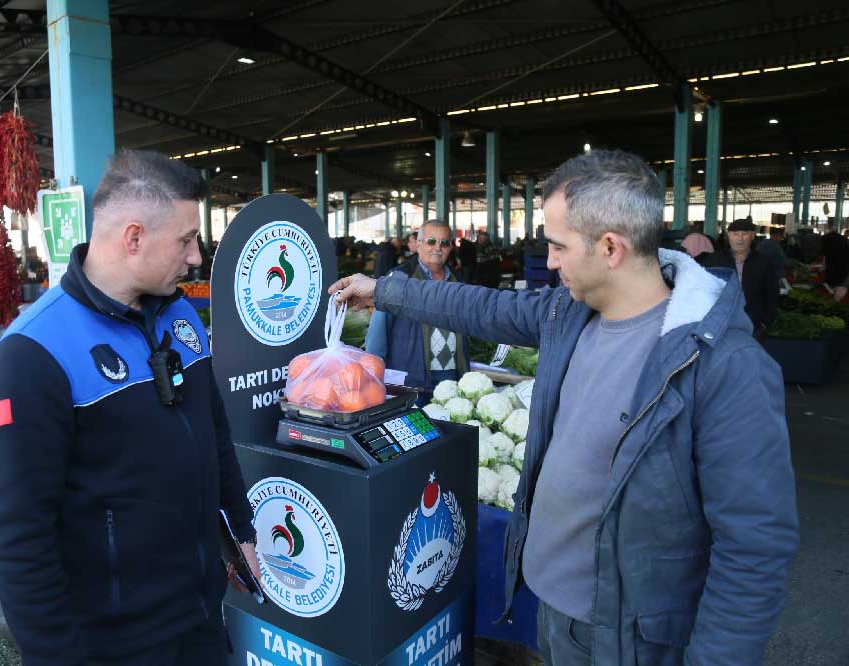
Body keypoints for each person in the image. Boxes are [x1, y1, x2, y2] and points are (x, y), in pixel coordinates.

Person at [332, 149, 798, 666]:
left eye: (558, 245)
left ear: (610, 247)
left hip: (628, 638)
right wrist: (385, 290)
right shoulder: (568, 313)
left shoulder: (722, 365)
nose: (549, 261)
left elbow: (754, 548)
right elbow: (481, 307)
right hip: (550, 610)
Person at [0, 150, 259, 666]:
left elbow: (214, 433)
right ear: (134, 238)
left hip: (200, 620)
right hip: (114, 644)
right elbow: (19, 538)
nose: (196, 256)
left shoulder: (181, 318)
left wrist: (241, 531)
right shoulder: (32, 356)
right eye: (185, 239)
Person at [363, 219, 470, 401]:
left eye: (444, 243)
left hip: (452, 378)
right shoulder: (397, 278)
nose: (437, 247)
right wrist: (372, 378)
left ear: (451, 247)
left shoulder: (457, 281)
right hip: (412, 380)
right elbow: (378, 334)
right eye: (431, 241)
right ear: (418, 244)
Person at [702, 218, 779, 339]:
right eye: (735, 234)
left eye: (745, 234)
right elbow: (704, 292)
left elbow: (772, 295)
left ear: (752, 236)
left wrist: (765, 325)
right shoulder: (714, 260)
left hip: (754, 325)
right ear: (728, 236)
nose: (740, 238)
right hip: (720, 325)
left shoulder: (764, 262)